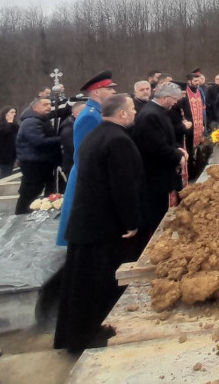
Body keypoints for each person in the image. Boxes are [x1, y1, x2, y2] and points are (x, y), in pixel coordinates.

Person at [54, 94, 143, 353]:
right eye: (133, 109)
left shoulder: (95, 135)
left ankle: (71, 336)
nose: (135, 113)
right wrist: (132, 222)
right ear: (122, 114)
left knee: (78, 286)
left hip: (86, 223)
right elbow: (123, 186)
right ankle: (88, 336)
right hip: (103, 227)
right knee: (96, 286)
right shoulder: (118, 140)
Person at [56, 70, 117, 245]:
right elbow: (87, 153)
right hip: (87, 176)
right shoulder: (90, 115)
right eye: (109, 88)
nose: (113, 92)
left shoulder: (98, 112)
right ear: (97, 91)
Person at [132, 82, 188, 238]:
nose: (176, 102)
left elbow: (166, 138)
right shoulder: (151, 115)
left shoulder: (158, 111)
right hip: (154, 174)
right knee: (157, 211)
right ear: (165, 97)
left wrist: (177, 148)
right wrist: (178, 155)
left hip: (160, 171)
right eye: (174, 99)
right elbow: (156, 146)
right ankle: (157, 239)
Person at [14, 97, 62, 214]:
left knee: (44, 190)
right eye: (45, 105)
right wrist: (61, 139)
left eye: (50, 104)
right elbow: (38, 141)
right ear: (35, 108)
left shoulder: (40, 120)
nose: (49, 107)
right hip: (33, 164)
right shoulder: (30, 122)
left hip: (41, 162)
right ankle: (20, 215)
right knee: (30, 192)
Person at [59, 102, 87, 192]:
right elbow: (74, 148)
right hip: (72, 166)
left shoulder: (75, 124)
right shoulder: (68, 128)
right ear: (77, 113)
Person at [0, 106, 19, 179]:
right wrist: (9, 123)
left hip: (12, 154)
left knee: (9, 172)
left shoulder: (15, 124)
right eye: (12, 112)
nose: (14, 114)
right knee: (5, 173)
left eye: (15, 112)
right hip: (2, 154)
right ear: (5, 114)